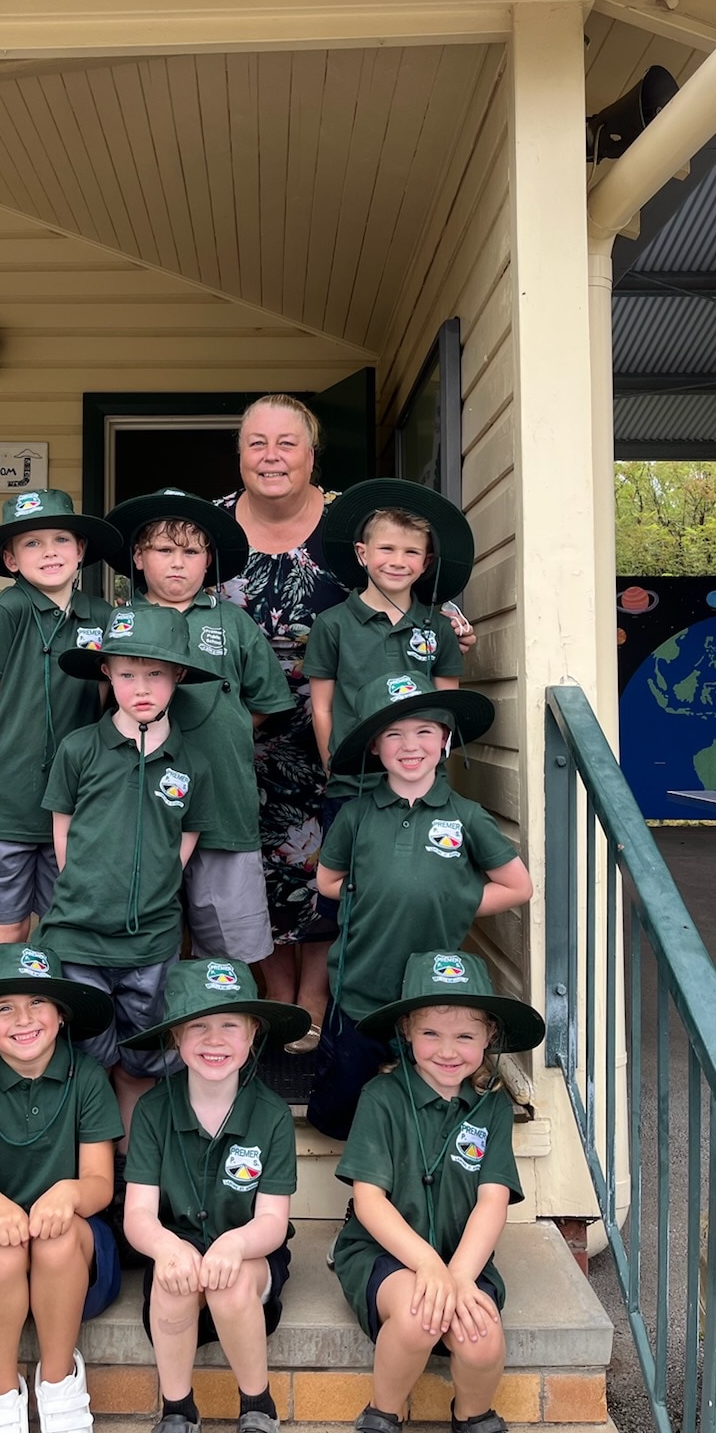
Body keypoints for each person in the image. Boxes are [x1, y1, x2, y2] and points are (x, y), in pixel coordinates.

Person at [218, 395, 476, 1053]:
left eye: (287, 443)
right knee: (253, 864)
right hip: (237, 730)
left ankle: (316, 997)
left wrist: (448, 618)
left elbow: (405, 581)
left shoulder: (347, 523)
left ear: (311, 454)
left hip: (351, 734)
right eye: (257, 443)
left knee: (334, 859)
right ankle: (276, 995)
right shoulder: (212, 528)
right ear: (240, 452)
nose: (272, 456)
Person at [307, 672, 532, 1140]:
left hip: (434, 1002)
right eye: (393, 734)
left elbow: (517, 886)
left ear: (445, 739)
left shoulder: (466, 816)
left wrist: (454, 899)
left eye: (424, 731)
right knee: (339, 1111)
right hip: (360, 990)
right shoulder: (355, 815)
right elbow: (328, 880)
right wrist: (371, 890)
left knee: (425, 1109)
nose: (410, 745)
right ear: (374, 746)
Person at [331, 949, 545, 1433]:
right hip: (384, 1252)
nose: (448, 1051)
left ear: (490, 1036)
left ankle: (472, 1417)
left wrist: (461, 1276)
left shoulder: (490, 1108)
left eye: (465, 1036)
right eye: (431, 1033)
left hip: (462, 1255)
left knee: (481, 1335)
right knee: (416, 1317)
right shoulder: (380, 1098)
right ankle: (385, 1411)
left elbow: (493, 1199)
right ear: (406, 1030)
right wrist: (428, 1266)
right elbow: (368, 1200)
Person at [35, 601, 219, 1147]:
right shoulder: (80, 748)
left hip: (151, 939)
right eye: (128, 673)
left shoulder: (191, 763)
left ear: (178, 676)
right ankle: (92, 1159)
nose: (142, 686)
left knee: (142, 1058)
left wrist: (161, 877)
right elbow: (62, 825)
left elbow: (189, 833)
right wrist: (84, 883)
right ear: (106, 674)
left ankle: (129, 1167)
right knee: (86, 1054)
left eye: (156, 674)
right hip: (80, 933)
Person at [0, 943, 124, 1433]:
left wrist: (70, 1194)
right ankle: (1, 1397)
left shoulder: (88, 1079)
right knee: (0, 1248)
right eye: (4, 1008)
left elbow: (99, 1182)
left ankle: (59, 1388)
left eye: (38, 1003)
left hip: (76, 1254)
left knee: (54, 1241)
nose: (23, 1018)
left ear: (60, 1015)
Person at [122, 958, 311, 1433]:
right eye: (198, 1025)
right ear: (176, 1038)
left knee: (230, 1281)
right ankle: (178, 1410)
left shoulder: (270, 1114)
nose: (214, 1039)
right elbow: (138, 1215)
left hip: (249, 1257)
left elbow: (271, 1220)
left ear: (252, 1035)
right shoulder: (151, 1111)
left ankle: (256, 1404)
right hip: (182, 1249)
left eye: (230, 1024)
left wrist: (234, 1245)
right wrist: (166, 1246)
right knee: (170, 1278)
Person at [105, 488, 293, 963]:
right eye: (164, 550)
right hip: (137, 809)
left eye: (191, 552)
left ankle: (224, 1031)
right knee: (142, 938)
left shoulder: (232, 622)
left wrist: (223, 727)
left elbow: (267, 700)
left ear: (208, 560)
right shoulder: (120, 623)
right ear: (139, 556)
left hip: (223, 805)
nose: (177, 563)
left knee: (228, 946)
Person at [0, 490, 122, 948]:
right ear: (10, 560)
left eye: (61, 539)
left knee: (63, 920)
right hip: (7, 798)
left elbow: (113, 697)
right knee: (8, 923)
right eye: (32, 543)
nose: (49, 551)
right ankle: (1, 1014)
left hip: (77, 796)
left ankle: (55, 1016)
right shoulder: (7, 610)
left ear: (81, 550)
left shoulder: (103, 616)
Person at [304, 477, 474, 813]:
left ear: (426, 563)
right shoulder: (331, 624)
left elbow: (446, 708)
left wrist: (434, 768)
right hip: (353, 785)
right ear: (362, 553)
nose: (397, 561)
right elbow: (322, 707)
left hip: (422, 783)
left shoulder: (439, 628)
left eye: (411, 552)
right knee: (350, 864)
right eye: (387, 549)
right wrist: (333, 764)